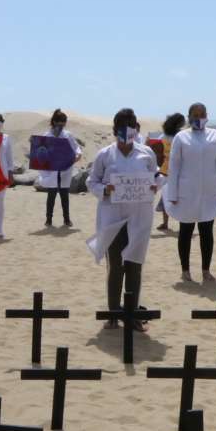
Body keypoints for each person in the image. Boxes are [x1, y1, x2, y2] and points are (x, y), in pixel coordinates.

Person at [89, 108, 158, 328]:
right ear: (114, 130)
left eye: (129, 127)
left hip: (139, 218)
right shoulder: (104, 155)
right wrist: (106, 190)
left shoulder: (146, 153)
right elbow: (92, 182)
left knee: (134, 265)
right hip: (113, 219)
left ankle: (132, 315)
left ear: (135, 129)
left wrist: (155, 186)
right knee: (116, 266)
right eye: (121, 128)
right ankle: (112, 313)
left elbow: (156, 177)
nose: (125, 132)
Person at [162, 103, 216, 281]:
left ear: (207, 115)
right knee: (186, 230)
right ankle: (185, 271)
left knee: (207, 230)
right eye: (195, 114)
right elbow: (174, 167)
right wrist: (172, 194)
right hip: (187, 192)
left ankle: (206, 270)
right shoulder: (181, 137)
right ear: (189, 116)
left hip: (210, 191)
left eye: (202, 114)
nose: (198, 117)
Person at [36, 109, 82, 228]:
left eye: (64, 122)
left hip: (65, 169)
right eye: (60, 121)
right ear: (54, 121)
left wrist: (78, 155)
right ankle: (48, 220)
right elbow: (41, 151)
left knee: (64, 195)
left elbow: (76, 147)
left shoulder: (67, 135)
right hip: (52, 170)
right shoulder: (47, 135)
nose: (61, 124)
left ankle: (66, 220)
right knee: (51, 195)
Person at [150, 123, 173, 232]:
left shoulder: (180, 136)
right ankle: (165, 223)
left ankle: (186, 222)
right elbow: (156, 152)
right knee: (165, 198)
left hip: (178, 173)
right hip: (164, 172)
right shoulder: (162, 138)